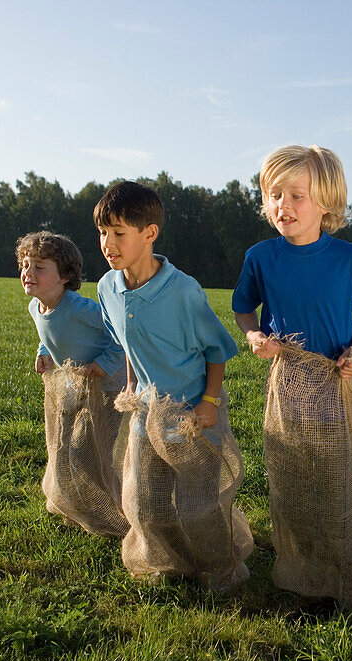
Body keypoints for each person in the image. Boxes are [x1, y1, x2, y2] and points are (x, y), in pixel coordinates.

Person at [232, 144, 352, 608]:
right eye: (274, 194)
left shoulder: (350, 257)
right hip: (288, 384)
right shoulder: (261, 256)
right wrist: (254, 336)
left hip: (337, 382)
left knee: (341, 477)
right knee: (292, 474)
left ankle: (347, 562)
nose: (284, 205)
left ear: (327, 202)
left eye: (297, 196)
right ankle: (303, 562)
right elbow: (245, 307)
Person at [95, 181, 253, 590]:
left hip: (191, 413)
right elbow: (128, 343)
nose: (108, 243)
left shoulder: (182, 291)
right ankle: (171, 563)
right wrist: (131, 386)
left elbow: (216, 350)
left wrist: (208, 403)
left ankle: (223, 570)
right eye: (102, 233)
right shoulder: (107, 288)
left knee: (196, 506)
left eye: (118, 233)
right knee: (144, 503)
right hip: (146, 411)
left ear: (149, 233)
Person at [17, 230, 129, 538]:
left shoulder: (81, 308)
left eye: (39, 267)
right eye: (25, 265)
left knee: (94, 450)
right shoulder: (35, 307)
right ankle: (79, 505)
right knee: (65, 445)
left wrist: (103, 364)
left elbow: (119, 335)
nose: (28, 273)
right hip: (74, 386)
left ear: (64, 276)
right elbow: (48, 335)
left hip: (108, 386)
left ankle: (119, 513)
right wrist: (43, 352)